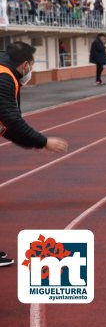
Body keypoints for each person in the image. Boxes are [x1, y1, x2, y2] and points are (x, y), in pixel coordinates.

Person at [0, 41, 69, 267]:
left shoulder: (5, 72)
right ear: (25, 64)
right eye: (32, 65)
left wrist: (36, 143)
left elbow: (6, 125)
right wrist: (43, 141)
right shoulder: (4, 78)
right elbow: (11, 120)